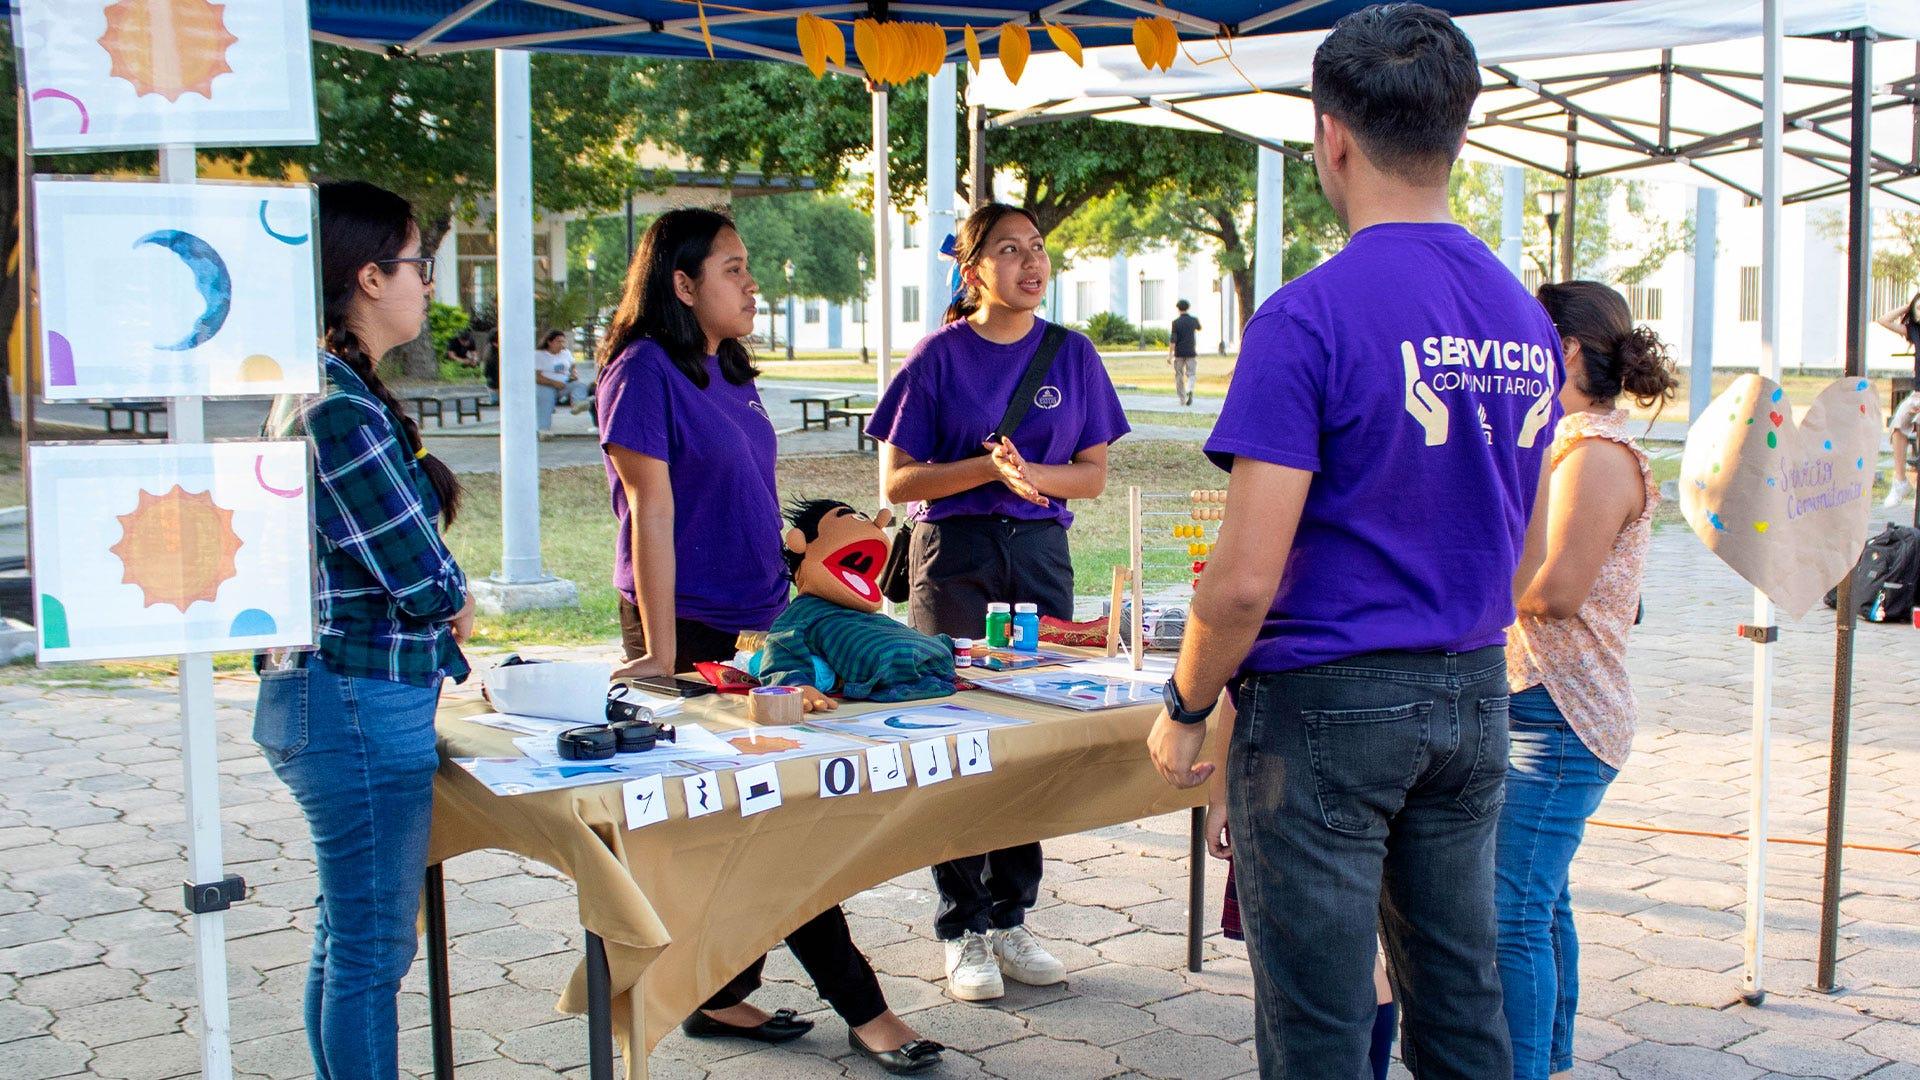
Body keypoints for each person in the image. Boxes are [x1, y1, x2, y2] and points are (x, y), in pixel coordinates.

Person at [1144, 6, 1560, 1077]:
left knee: (1322, 1023)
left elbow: (1241, 582)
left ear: (1330, 134)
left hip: (1330, 706)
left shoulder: (1309, 317)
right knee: (1461, 1001)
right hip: (1470, 689)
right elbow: (1524, 552)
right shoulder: (1524, 319)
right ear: (1458, 131)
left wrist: (1187, 707)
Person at [595, 207, 941, 1075]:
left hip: (758, 620)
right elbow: (652, 514)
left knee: (759, 816)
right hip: (687, 626)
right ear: (682, 283)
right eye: (734, 269)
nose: (754, 285)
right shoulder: (642, 371)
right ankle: (865, 1007)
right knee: (774, 821)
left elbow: (747, 492)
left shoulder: (730, 371)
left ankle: (717, 989)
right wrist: (665, 654)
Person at [868, 201, 1130, 1003]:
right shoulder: (937, 358)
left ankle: (1012, 916)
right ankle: (962, 926)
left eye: (1039, 248)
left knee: (1032, 733)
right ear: (972, 269)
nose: (1031, 263)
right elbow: (897, 483)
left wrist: (1033, 478)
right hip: (957, 557)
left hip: (1040, 553)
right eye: (1009, 250)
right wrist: (987, 470)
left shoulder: (1072, 354)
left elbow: (1092, 472)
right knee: (959, 731)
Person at [254, 180, 474, 1080]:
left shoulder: (335, 387)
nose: (429, 282)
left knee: (349, 938)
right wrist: (456, 594)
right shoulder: (336, 404)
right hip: (351, 700)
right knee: (372, 953)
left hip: (338, 696)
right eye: (419, 263)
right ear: (369, 276)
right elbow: (422, 578)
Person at [1499, 281, 1676, 1080]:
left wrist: (1470, 578)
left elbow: (1555, 593)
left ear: (1565, 351)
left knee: (1511, 911)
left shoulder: (1595, 456)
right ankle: (1549, 1056)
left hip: (1561, 718)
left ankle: (1522, 1065)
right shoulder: (1571, 441)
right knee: (1542, 896)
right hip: (1546, 707)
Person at [535, 328, 591, 436]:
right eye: (558, 341)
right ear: (549, 342)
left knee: (580, 386)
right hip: (545, 384)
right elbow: (536, 377)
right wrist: (553, 383)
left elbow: (572, 366)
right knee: (545, 401)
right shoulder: (539, 355)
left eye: (563, 341)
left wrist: (574, 374)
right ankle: (543, 430)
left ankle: (577, 404)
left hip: (564, 383)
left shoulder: (566, 353)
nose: (561, 344)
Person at [1169, 299, 1202, 406]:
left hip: (1179, 353)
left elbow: (1173, 340)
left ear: (1178, 309)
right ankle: (1189, 389)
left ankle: (1182, 398)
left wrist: (1170, 355)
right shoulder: (1193, 320)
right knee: (1191, 374)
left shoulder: (1176, 322)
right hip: (1191, 352)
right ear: (1188, 308)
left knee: (1179, 375)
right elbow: (1199, 328)